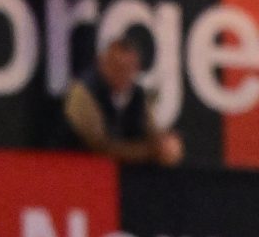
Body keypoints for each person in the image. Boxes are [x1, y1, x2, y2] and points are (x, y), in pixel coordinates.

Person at [63, 29, 183, 166]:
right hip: (78, 168)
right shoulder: (83, 92)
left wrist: (165, 144)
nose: (122, 74)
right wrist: (150, 151)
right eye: (116, 67)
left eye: (128, 68)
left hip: (125, 172)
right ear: (102, 63)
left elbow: (152, 131)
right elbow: (100, 146)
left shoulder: (136, 95)